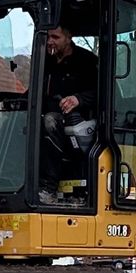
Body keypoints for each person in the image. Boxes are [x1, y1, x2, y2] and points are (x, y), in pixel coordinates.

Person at [39, 22, 99, 204]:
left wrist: (78, 99)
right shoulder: (46, 62)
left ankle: (49, 187)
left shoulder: (87, 61)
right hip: (48, 114)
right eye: (48, 37)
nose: (50, 42)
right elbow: (37, 91)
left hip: (78, 120)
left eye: (55, 37)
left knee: (50, 122)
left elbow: (103, 93)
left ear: (68, 37)